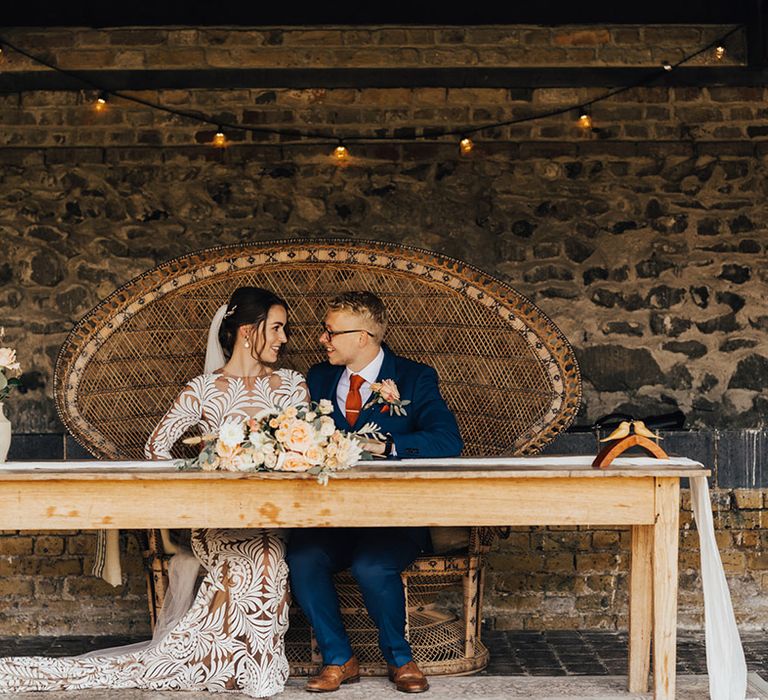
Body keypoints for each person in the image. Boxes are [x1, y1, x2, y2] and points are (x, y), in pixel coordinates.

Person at [0, 287, 308, 698]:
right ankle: (239, 662)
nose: (283, 338)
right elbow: (156, 448)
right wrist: (201, 481)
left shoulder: (292, 385)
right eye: (276, 327)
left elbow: (306, 448)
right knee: (261, 558)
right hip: (218, 520)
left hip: (276, 514)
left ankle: (232, 661)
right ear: (247, 331)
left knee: (268, 554)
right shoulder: (203, 389)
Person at [287, 291, 463, 694]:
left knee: (371, 566)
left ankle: (400, 659)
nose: (322, 339)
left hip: (393, 518)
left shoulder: (415, 378)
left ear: (363, 337)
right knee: (302, 557)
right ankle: (338, 658)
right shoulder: (318, 378)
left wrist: (387, 447)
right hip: (330, 516)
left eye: (330, 332)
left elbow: (447, 440)